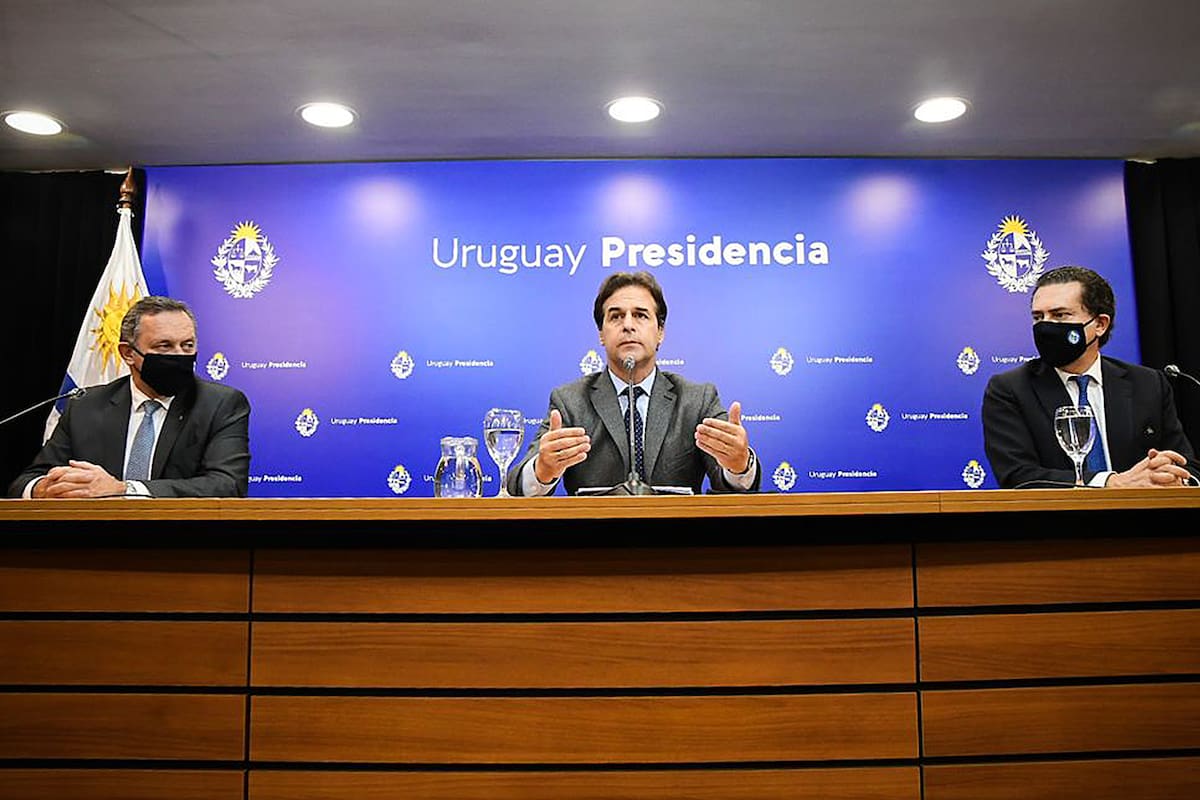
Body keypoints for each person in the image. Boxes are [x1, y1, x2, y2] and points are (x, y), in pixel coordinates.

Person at [506, 271, 761, 496]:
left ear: (660, 331)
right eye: (616, 317)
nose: (628, 325)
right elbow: (519, 485)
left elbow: (734, 486)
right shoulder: (570, 401)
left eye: (640, 315)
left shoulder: (697, 399)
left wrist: (738, 465)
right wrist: (542, 470)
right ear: (601, 335)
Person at [8, 296, 251, 498]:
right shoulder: (85, 406)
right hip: (93, 543)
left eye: (187, 346)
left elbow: (227, 485)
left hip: (182, 544)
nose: (179, 356)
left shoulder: (220, 404)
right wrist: (45, 489)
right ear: (128, 353)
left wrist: (124, 490)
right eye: (164, 346)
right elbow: (24, 483)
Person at [982, 265, 1198, 489]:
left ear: (1100, 324)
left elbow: (1185, 462)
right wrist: (1111, 482)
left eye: (1060, 315)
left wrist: (1174, 477)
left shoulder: (1148, 383)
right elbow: (1018, 476)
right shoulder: (1010, 389)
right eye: (1038, 317)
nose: (1046, 327)